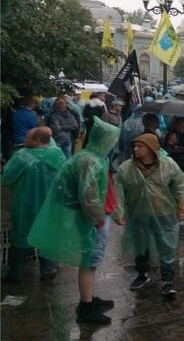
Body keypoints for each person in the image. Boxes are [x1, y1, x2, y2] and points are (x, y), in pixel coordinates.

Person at [28, 118, 122, 325]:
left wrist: (112, 212)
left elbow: (103, 190)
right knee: (89, 261)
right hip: (89, 221)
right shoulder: (90, 161)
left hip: (92, 219)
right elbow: (89, 198)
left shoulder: (94, 157)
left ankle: (88, 298)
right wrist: (97, 221)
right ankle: (86, 308)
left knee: (92, 261)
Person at [116, 133, 184, 299]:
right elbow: (118, 191)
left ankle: (168, 281)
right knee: (140, 245)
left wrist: (183, 207)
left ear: (151, 148)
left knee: (167, 245)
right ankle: (142, 273)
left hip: (163, 212)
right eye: (134, 146)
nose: (135, 149)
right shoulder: (127, 167)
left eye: (140, 146)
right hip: (138, 213)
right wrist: (119, 212)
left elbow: (181, 186)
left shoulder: (168, 165)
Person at [1, 128, 66, 282]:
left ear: (38, 140)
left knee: (20, 236)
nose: (25, 139)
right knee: (47, 235)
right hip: (50, 205)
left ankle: (15, 273)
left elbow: (6, 179)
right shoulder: (58, 155)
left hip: (25, 204)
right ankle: (47, 269)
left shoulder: (22, 157)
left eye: (28, 137)